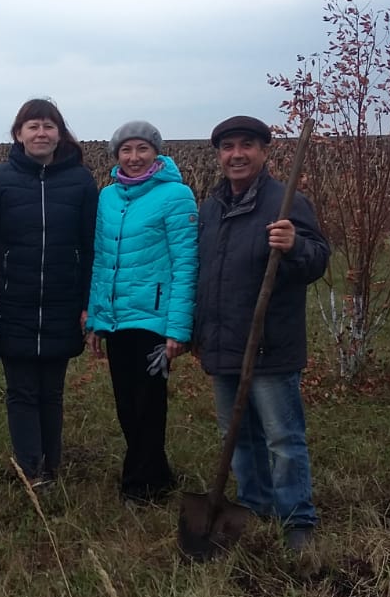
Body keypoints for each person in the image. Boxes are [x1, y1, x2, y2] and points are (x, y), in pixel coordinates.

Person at [192, 115, 330, 551]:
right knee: (237, 435)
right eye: (228, 147)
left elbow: (318, 260)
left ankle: (297, 519)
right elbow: (206, 275)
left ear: (264, 152)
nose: (236, 154)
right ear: (218, 155)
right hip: (223, 341)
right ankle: (254, 503)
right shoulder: (212, 207)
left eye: (246, 145)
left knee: (283, 438)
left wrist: (295, 246)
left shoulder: (286, 203)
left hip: (269, 341)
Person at [0, 99, 98, 486]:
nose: (41, 133)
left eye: (48, 126)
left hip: (63, 301)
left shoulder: (80, 181)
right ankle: (32, 471)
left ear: (59, 133)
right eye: (33, 126)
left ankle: (53, 464)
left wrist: (86, 303)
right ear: (19, 134)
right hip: (13, 301)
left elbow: (91, 246)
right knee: (22, 390)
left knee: (52, 392)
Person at [86, 121, 198, 504]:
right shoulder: (108, 198)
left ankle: (138, 486)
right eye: (126, 151)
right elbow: (102, 261)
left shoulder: (176, 195)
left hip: (153, 319)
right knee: (125, 403)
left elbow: (186, 264)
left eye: (142, 149)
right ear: (116, 156)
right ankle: (158, 474)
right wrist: (98, 319)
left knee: (147, 403)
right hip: (117, 319)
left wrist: (178, 330)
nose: (134, 158)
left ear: (156, 153)